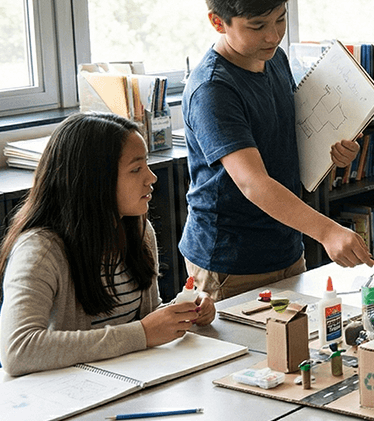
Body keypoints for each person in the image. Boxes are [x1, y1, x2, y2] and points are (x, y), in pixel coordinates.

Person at [181, 0, 370, 301]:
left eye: (280, 20)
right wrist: (328, 232)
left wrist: (332, 153)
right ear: (217, 21)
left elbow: (286, 142)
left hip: (284, 247)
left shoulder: (275, 60)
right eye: (257, 26)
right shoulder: (213, 89)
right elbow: (253, 183)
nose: (273, 36)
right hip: (229, 262)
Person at [0, 113, 216, 376]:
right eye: (136, 169)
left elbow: (141, 319)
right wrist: (144, 333)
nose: (151, 177)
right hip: (71, 397)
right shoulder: (39, 250)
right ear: (92, 180)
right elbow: (17, 350)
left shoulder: (139, 230)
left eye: (146, 164)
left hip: (130, 382)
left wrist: (182, 312)